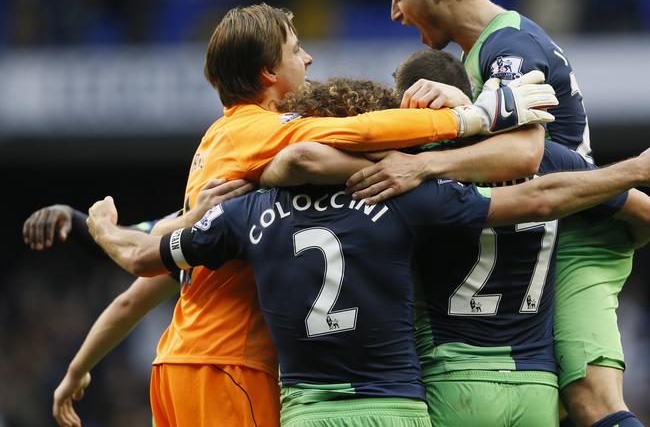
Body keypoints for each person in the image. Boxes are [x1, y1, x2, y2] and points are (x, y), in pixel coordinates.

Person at [85, 129, 650, 427]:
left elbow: (146, 259)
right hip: (447, 398)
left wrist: (103, 228)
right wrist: (630, 174)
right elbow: (540, 197)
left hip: (315, 407)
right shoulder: (412, 195)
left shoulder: (248, 207)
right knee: (601, 405)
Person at [263, 57, 649, 426]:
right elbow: (639, 213)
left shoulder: (411, 166)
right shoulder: (551, 160)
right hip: (535, 384)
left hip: (452, 377)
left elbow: (310, 159)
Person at [358, 0, 644, 425]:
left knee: (592, 400)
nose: (394, 14)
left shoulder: (507, 48)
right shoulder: (484, 52)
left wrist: (424, 165)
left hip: (585, 233)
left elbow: (525, 152)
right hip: (561, 217)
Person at [22, 179, 253, 427]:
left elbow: (132, 291)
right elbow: (139, 247)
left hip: (177, 377)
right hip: (234, 379)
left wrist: (76, 372)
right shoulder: (251, 217)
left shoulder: (209, 226)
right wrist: (78, 220)